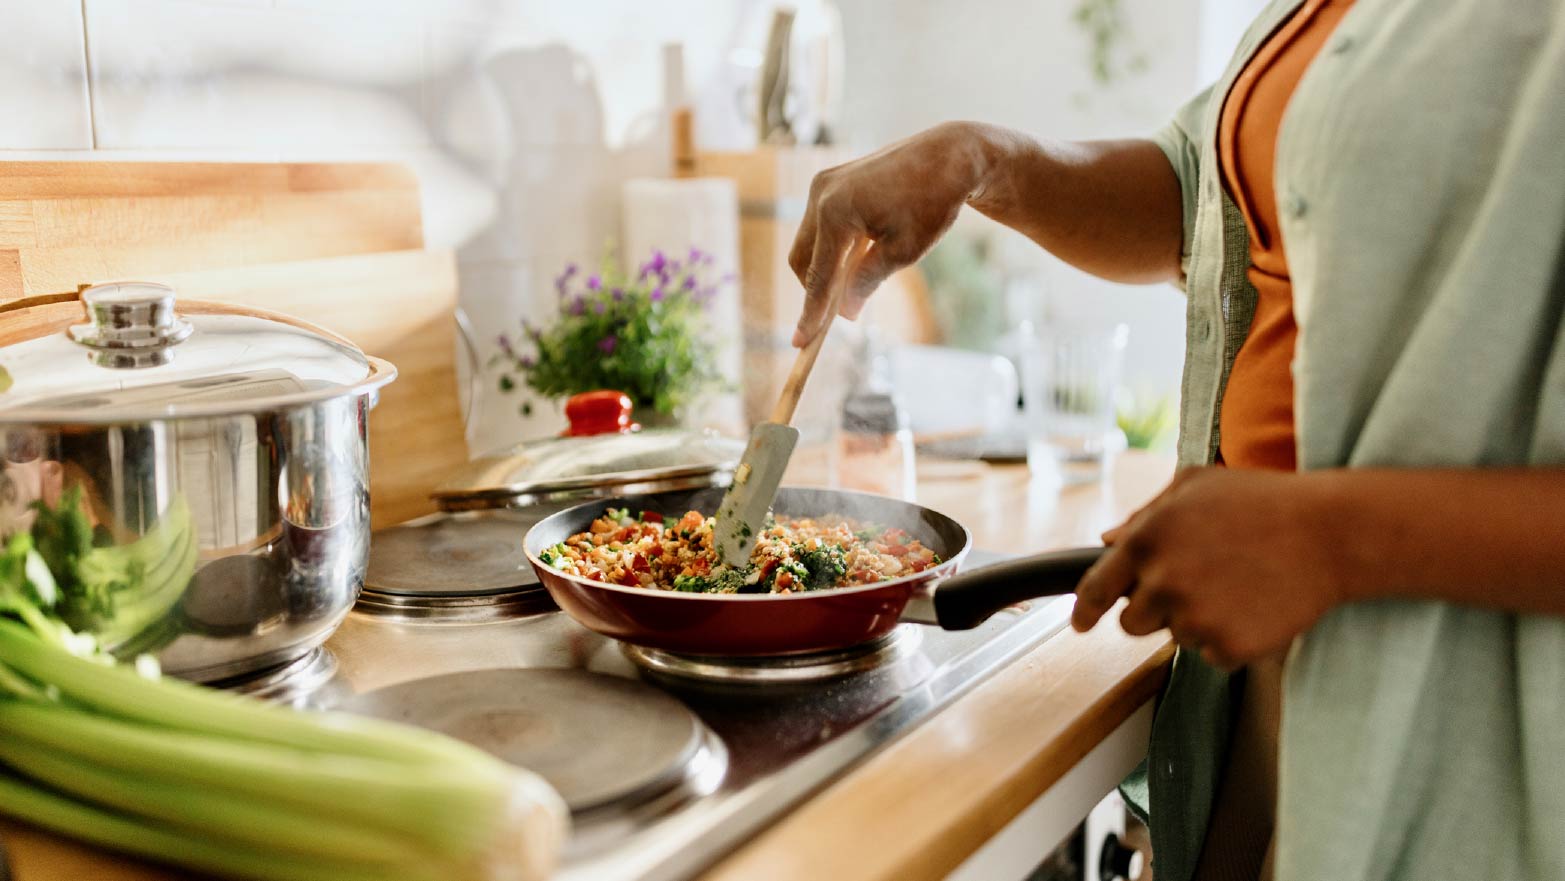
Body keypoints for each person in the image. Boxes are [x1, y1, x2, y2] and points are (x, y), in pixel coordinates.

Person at [784, 2, 1565, 880]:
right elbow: (1204, 194)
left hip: (1473, 725)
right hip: (1268, 680)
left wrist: (1330, 535)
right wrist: (979, 158)